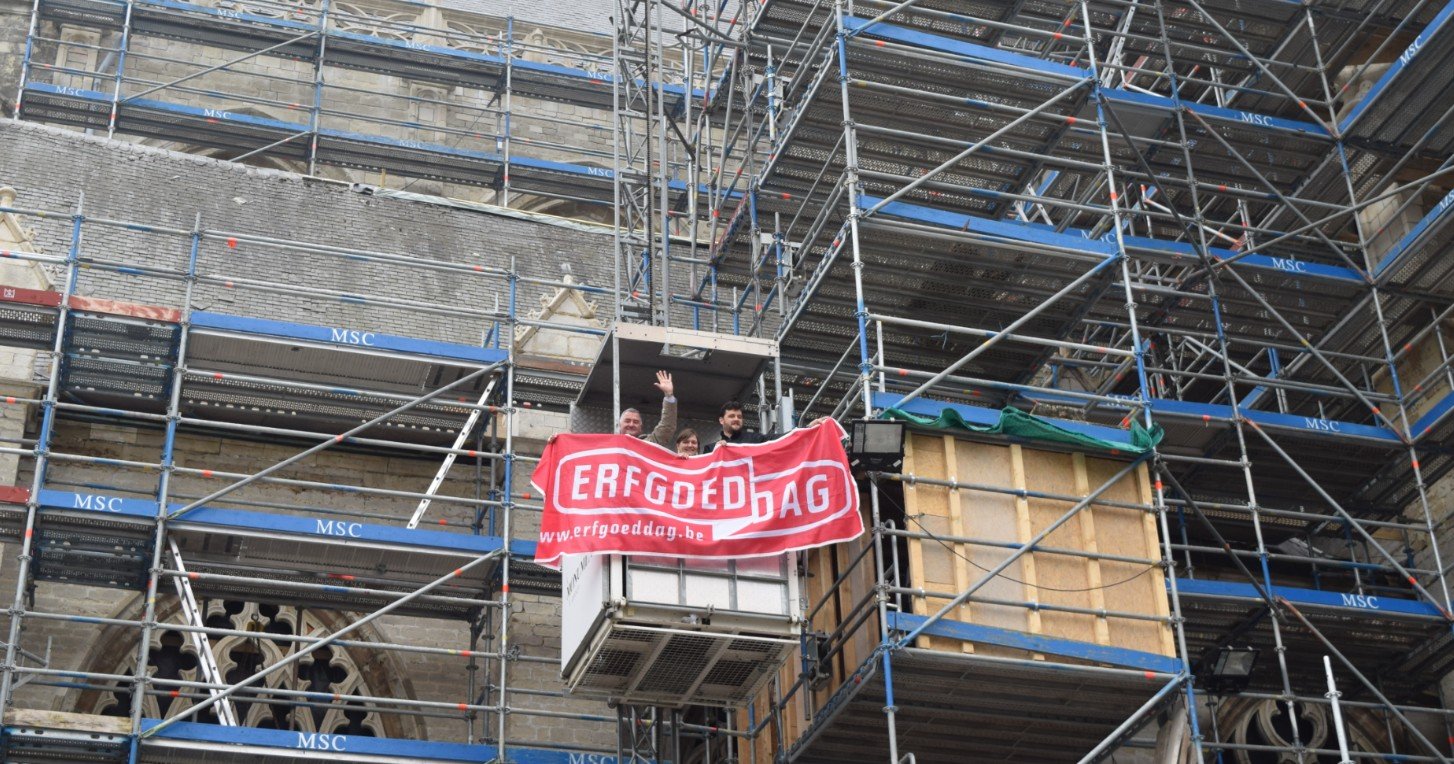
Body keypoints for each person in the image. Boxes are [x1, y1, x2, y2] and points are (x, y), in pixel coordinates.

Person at [616, 370, 677, 448]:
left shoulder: (648, 444)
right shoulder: (609, 445)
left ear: (641, 427)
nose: (631, 424)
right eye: (627, 421)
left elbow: (667, 427)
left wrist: (669, 395)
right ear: (619, 425)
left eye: (636, 422)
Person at [705, 399, 769, 453]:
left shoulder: (754, 439)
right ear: (721, 420)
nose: (736, 419)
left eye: (739, 417)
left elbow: (776, 441)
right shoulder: (711, 449)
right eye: (731, 416)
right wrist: (715, 453)